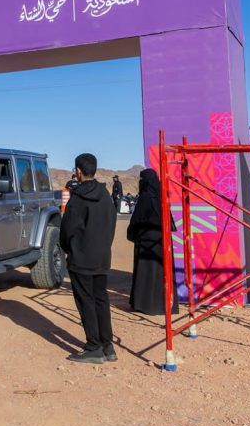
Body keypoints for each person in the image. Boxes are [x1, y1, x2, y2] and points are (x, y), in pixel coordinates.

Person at [59, 153, 118, 364]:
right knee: (101, 299)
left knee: (86, 301)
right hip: (102, 257)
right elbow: (112, 224)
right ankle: (107, 345)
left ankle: (94, 347)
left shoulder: (78, 199)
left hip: (81, 258)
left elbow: (67, 229)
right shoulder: (105, 195)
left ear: (78, 171)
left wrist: (70, 249)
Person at [126, 168, 179, 316]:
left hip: (147, 241)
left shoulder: (145, 198)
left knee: (147, 272)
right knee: (162, 271)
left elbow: (137, 220)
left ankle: (146, 305)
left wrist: (132, 234)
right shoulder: (161, 197)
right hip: (163, 240)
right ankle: (164, 304)